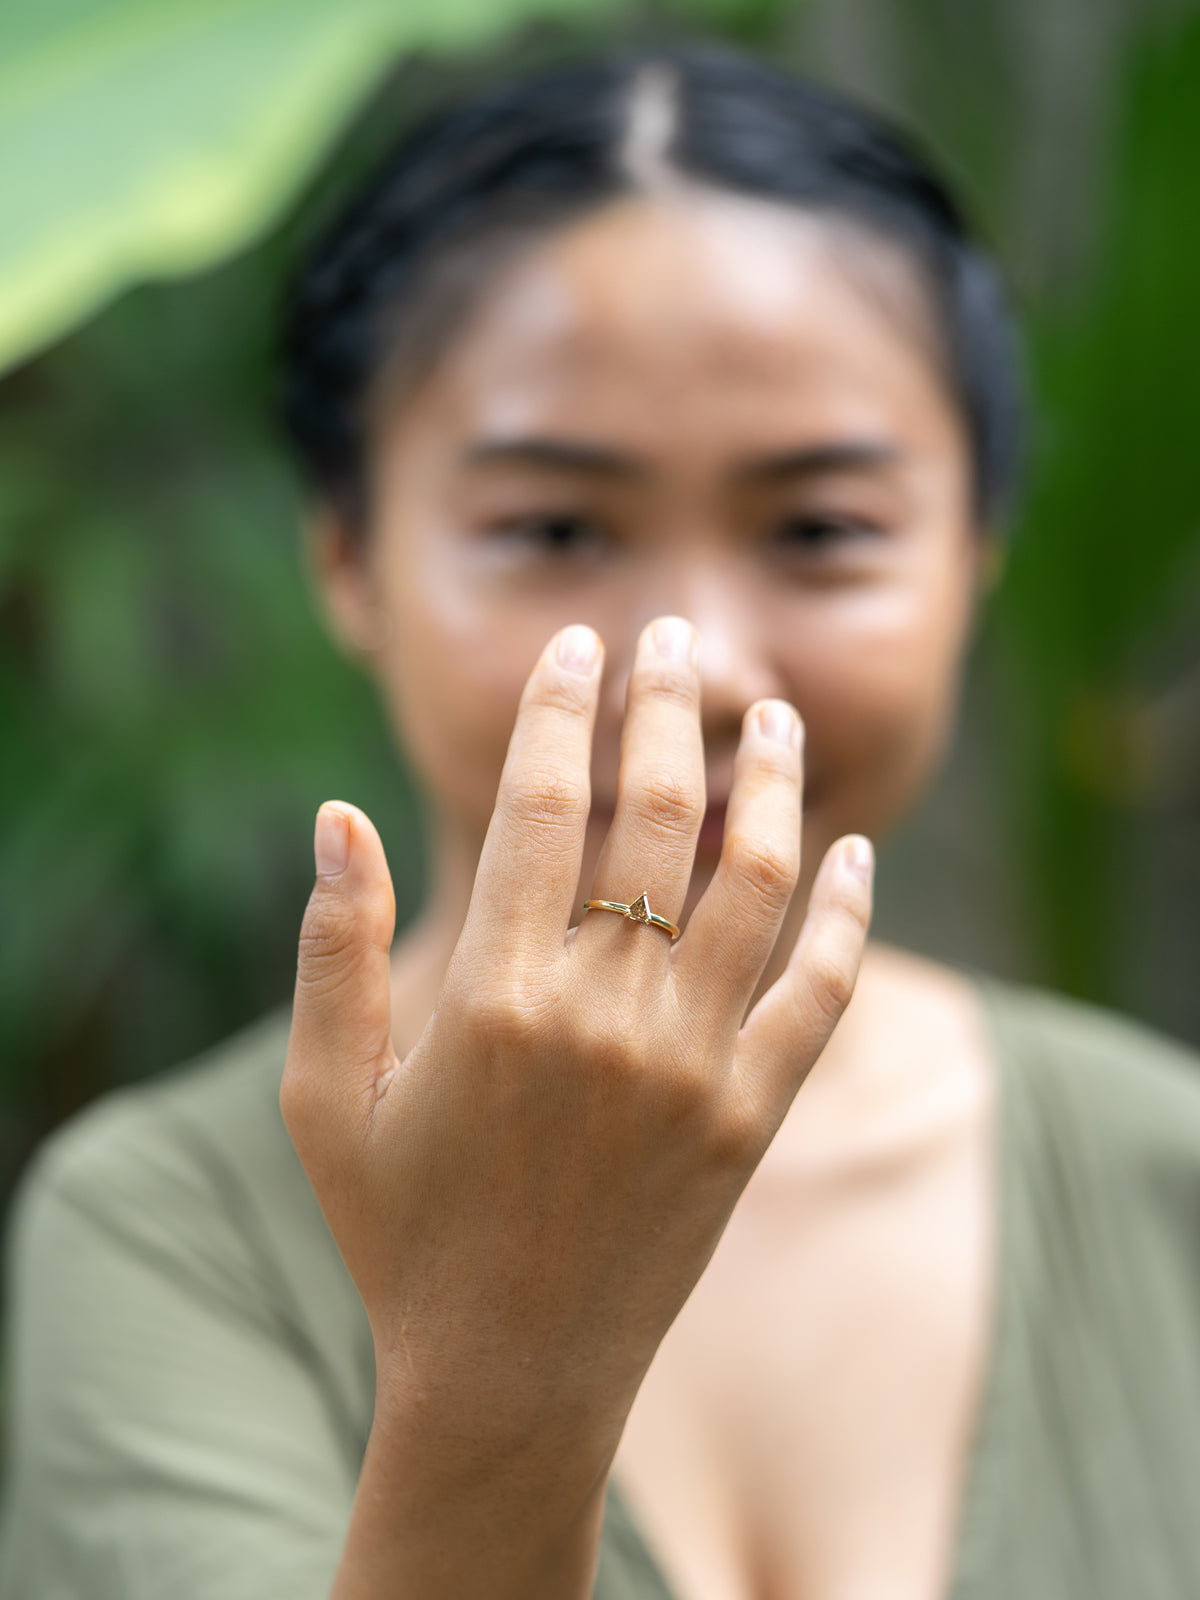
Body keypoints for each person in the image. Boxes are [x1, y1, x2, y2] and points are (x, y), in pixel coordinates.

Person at [4, 38, 1200, 1600]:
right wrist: (509, 1356)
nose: (688, 664)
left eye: (824, 529)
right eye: (555, 527)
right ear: (350, 562)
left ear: (975, 554)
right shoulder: (165, 1233)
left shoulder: (1163, 1172)